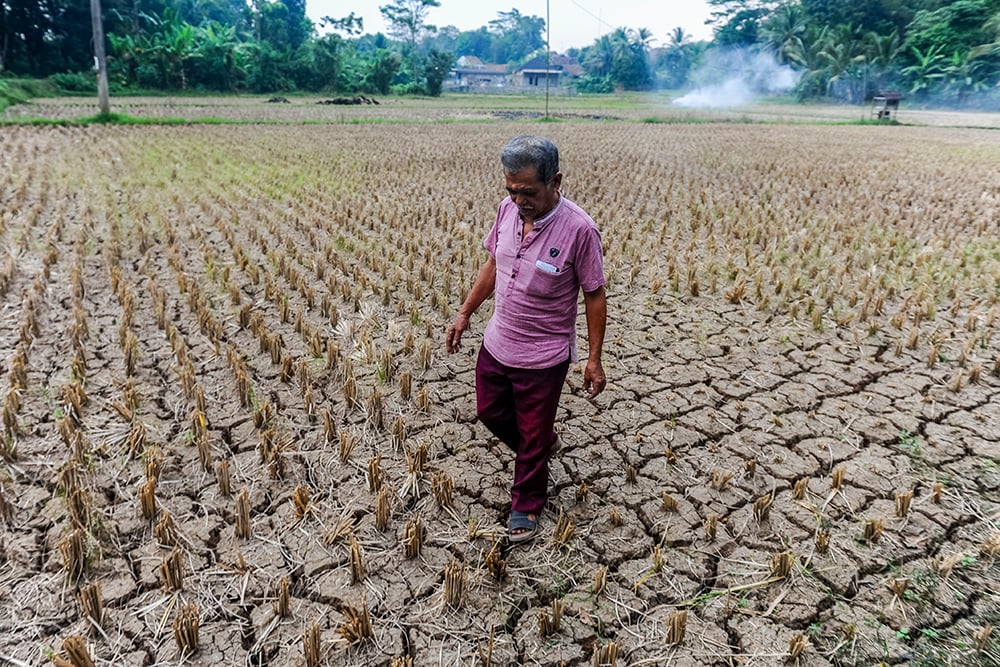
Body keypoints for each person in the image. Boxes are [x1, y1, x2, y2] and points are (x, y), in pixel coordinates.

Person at [446, 135, 607, 543]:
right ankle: (540, 447)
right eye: (512, 191)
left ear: (556, 181)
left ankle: (526, 506)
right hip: (498, 341)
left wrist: (594, 358)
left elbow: (594, 294)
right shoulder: (506, 211)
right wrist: (465, 313)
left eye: (529, 192)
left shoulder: (579, 230)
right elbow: (493, 264)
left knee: (533, 436)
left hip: (544, 354)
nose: (519, 200)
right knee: (489, 412)